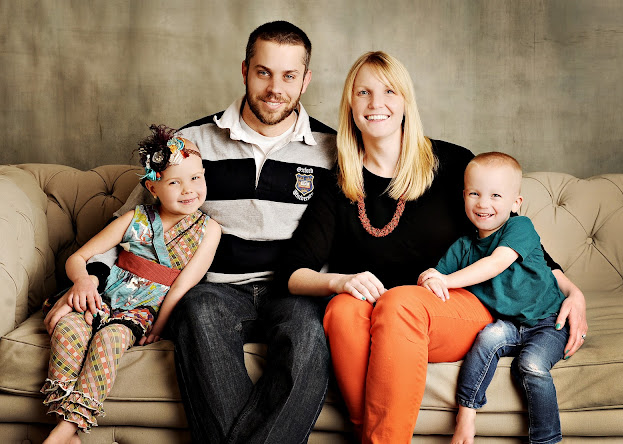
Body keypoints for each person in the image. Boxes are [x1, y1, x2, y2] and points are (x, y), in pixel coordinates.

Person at [43, 21, 336, 444]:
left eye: (289, 76)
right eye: (263, 72)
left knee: (308, 337)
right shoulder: (191, 143)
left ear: (305, 80)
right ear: (245, 70)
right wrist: (86, 282)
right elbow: (131, 227)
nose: (275, 88)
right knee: (198, 313)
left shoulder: (332, 151)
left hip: (293, 292)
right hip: (215, 290)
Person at [283, 51, 588, 444]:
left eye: (389, 91)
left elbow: (517, 239)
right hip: (379, 308)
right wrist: (340, 282)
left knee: (400, 302)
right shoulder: (340, 183)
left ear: (405, 100)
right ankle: (371, 435)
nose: (376, 103)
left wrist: (573, 292)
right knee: (342, 310)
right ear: (350, 104)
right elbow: (292, 271)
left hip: (456, 305)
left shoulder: (452, 163)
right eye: (363, 92)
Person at [41, 125, 221, 444]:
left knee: (109, 339)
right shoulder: (135, 218)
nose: (188, 190)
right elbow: (79, 257)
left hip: (142, 311)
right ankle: (67, 431)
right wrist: (82, 282)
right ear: (153, 188)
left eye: (196, 178)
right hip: (101, 295)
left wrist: (158, 327)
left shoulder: (209, 230)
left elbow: (181, 287)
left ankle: (64, 431)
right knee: (68, 329)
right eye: (174, 182)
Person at [419, 152, 571, 444]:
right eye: (474, 193)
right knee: (486, 338)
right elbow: (435, 279)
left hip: (549, 321)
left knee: (530, 365)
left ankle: (546, 440)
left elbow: (495, 263)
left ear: (516, 203)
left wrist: (446, 280)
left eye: (496, 195)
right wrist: (429, 278)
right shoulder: (463, 247)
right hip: (509, 325)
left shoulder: (520, 227)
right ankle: (466, 415)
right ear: (464, 196)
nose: (483, 203)